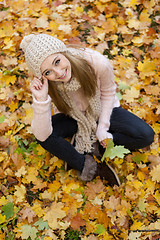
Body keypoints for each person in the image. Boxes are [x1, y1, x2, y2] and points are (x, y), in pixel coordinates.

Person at [20, 34, 154, 186]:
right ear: (42, 76)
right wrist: (41, 99)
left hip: (102, 109)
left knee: (146, 135)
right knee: (42, 135)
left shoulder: (96, 62)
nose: (58, 73)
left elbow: (108, 92)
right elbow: (42, 134)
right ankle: (86, 164)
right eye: (47, 72)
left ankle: (99, 145)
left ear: (63, 52)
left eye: (57, 62)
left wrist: (103, 128)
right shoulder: (48, 84)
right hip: (73, 116)